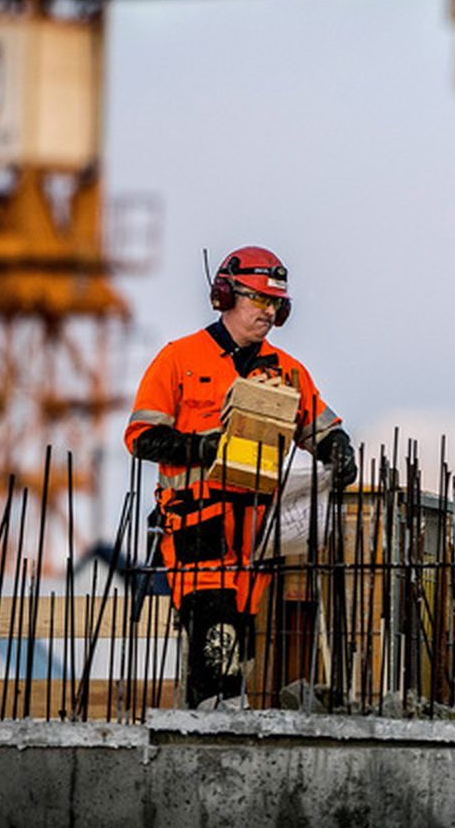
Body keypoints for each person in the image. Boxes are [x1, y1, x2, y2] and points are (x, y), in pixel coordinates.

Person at [124, 245, 356, 708]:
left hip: (256, 536)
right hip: (198, 529)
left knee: (239, 646)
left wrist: (338, 450)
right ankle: (211, 732)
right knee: (218, 646)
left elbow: (322, 429)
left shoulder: (288, 372)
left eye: (275, 303)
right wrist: (204, 446)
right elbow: (142, 438)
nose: (268, 312)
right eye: (258, 300)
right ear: (226, 295)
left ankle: (215, 727)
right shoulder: (180, 360)